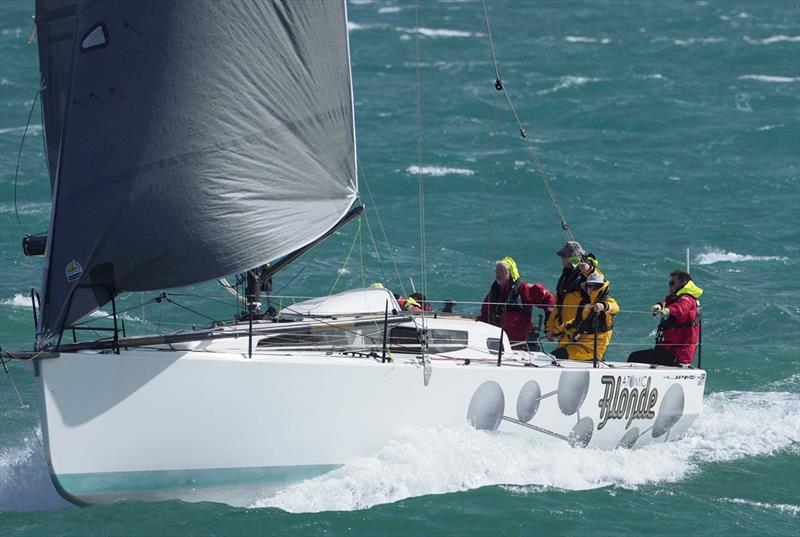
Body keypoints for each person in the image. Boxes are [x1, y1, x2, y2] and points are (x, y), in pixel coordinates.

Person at [628, 270, 703, 366]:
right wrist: (660, 305)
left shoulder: (687, 299)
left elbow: (681, 308)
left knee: (634, 357)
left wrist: (668, 310)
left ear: (682, 284)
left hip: (677, 355)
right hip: (670, 352)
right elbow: (668, 301)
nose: (669, 286)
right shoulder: (679, 298)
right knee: (644, 356)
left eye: (672, 283)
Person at [478, 256, 555, 349]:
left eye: (502, 272)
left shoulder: (524, 288)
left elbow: (549, 299)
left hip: (519, 344)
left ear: (511, 273)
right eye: (496, 272)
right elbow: (485, 313)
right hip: (497, 343)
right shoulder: (494, 292)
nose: (498, 275)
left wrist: (549, 322)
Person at [550, 272, 619, 360]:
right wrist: (556, 331)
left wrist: (603, 306)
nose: (592, 288)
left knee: (558, 355)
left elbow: (614, 307)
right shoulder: (585, 304)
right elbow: (576, 322)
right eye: (589, 286)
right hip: (580, 344)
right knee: (556, 353)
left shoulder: (606, 301)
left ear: (601, 287)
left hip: (594, 350)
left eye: (596, 286)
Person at [546, 240, 603, 347]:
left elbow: (601, 285)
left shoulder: (588, 274)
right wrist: (550, 328)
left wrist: (589, 270)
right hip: (565, 329)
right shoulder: (566, 275)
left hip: (580, 332)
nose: (562, 259)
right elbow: (559, 304)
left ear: (572, 258)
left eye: (564, 256)